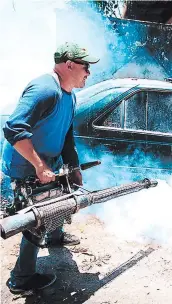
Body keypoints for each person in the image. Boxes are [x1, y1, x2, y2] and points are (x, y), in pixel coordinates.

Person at [0, 42, 99, 295]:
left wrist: (74, 167)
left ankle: (55, 238)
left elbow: (66, 135)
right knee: (37, 216)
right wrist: (39, 166)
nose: (88, 72)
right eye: (85, 66)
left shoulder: (70, 95)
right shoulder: (45, 89)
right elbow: (14, 129)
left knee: (62, 197)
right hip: (26, 165)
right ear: (69, 65)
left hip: (49, 162)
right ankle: (21, 279)